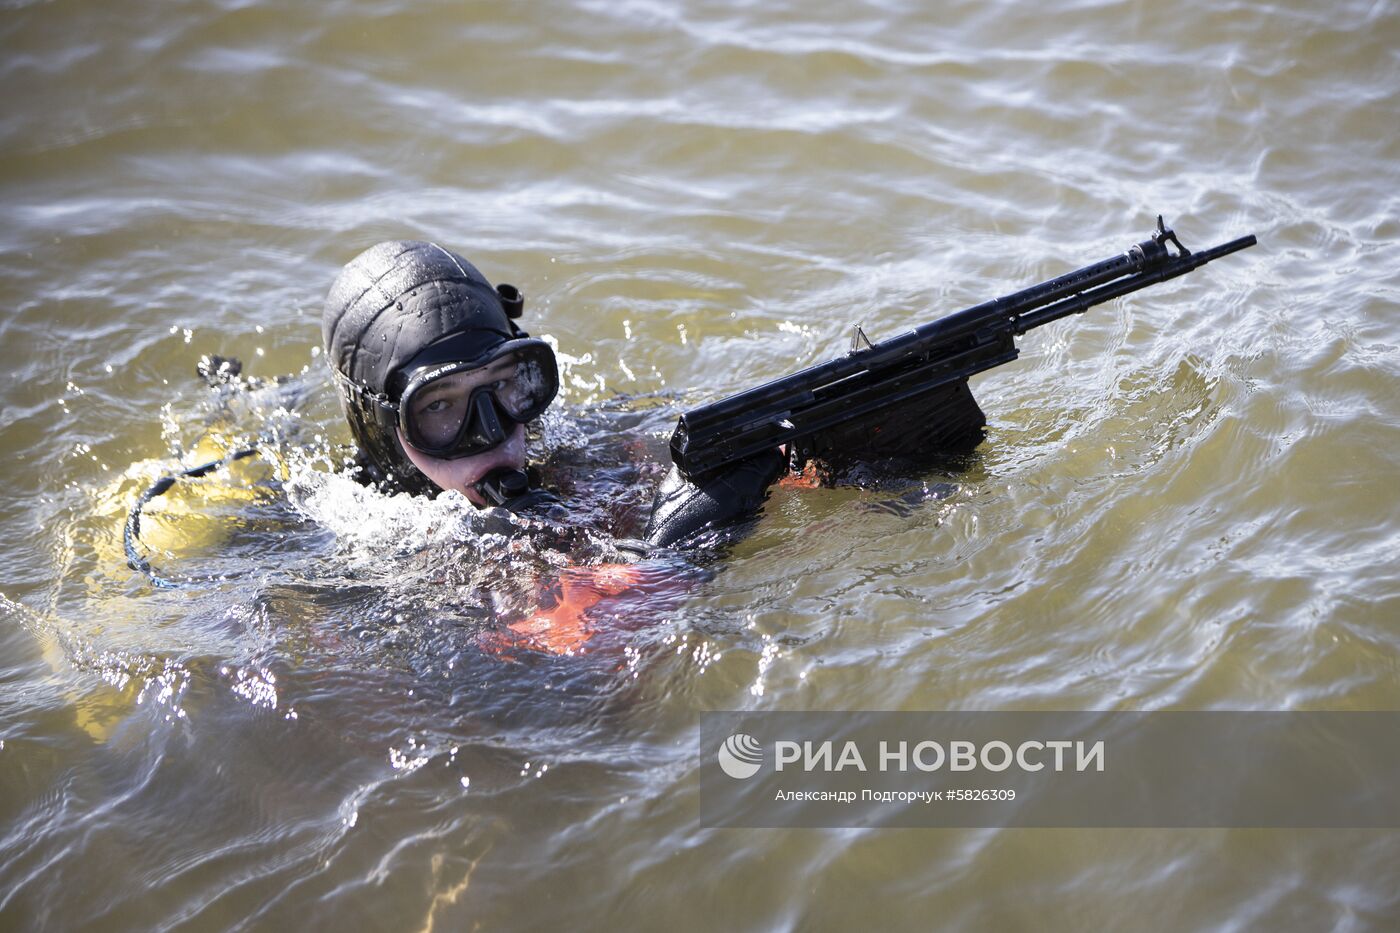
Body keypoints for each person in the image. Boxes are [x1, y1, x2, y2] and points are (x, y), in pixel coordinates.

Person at [322, 239, 785, 551]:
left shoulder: (588, 449)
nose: (494, 431)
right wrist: (681, 549)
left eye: (502, 382)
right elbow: (579, 684)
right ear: (384, 426)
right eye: (440, 405)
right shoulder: (365, 553)